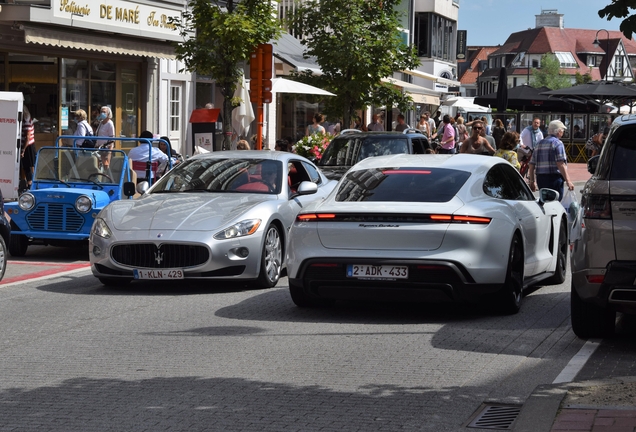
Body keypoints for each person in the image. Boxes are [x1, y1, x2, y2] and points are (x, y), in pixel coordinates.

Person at [527, 120, 574, 200]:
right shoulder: (558, 143)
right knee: (555, 203)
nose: (562, 133)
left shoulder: (539, 144)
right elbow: (560, 164)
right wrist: (568, 181)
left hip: (541, 178)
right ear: (558, 131)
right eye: (562, 131)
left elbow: (531, 165)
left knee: (545, 202)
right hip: (554, 178)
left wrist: (532, 181)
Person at [20, 106, 36, 191]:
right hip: (27, 145)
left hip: (28, 146)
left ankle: (30, 183)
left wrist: (23, 149)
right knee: (27, 165)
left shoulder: (27, 121)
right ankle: (29, 182)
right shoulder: (26, 120)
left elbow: (27, 136)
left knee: (28, 165)